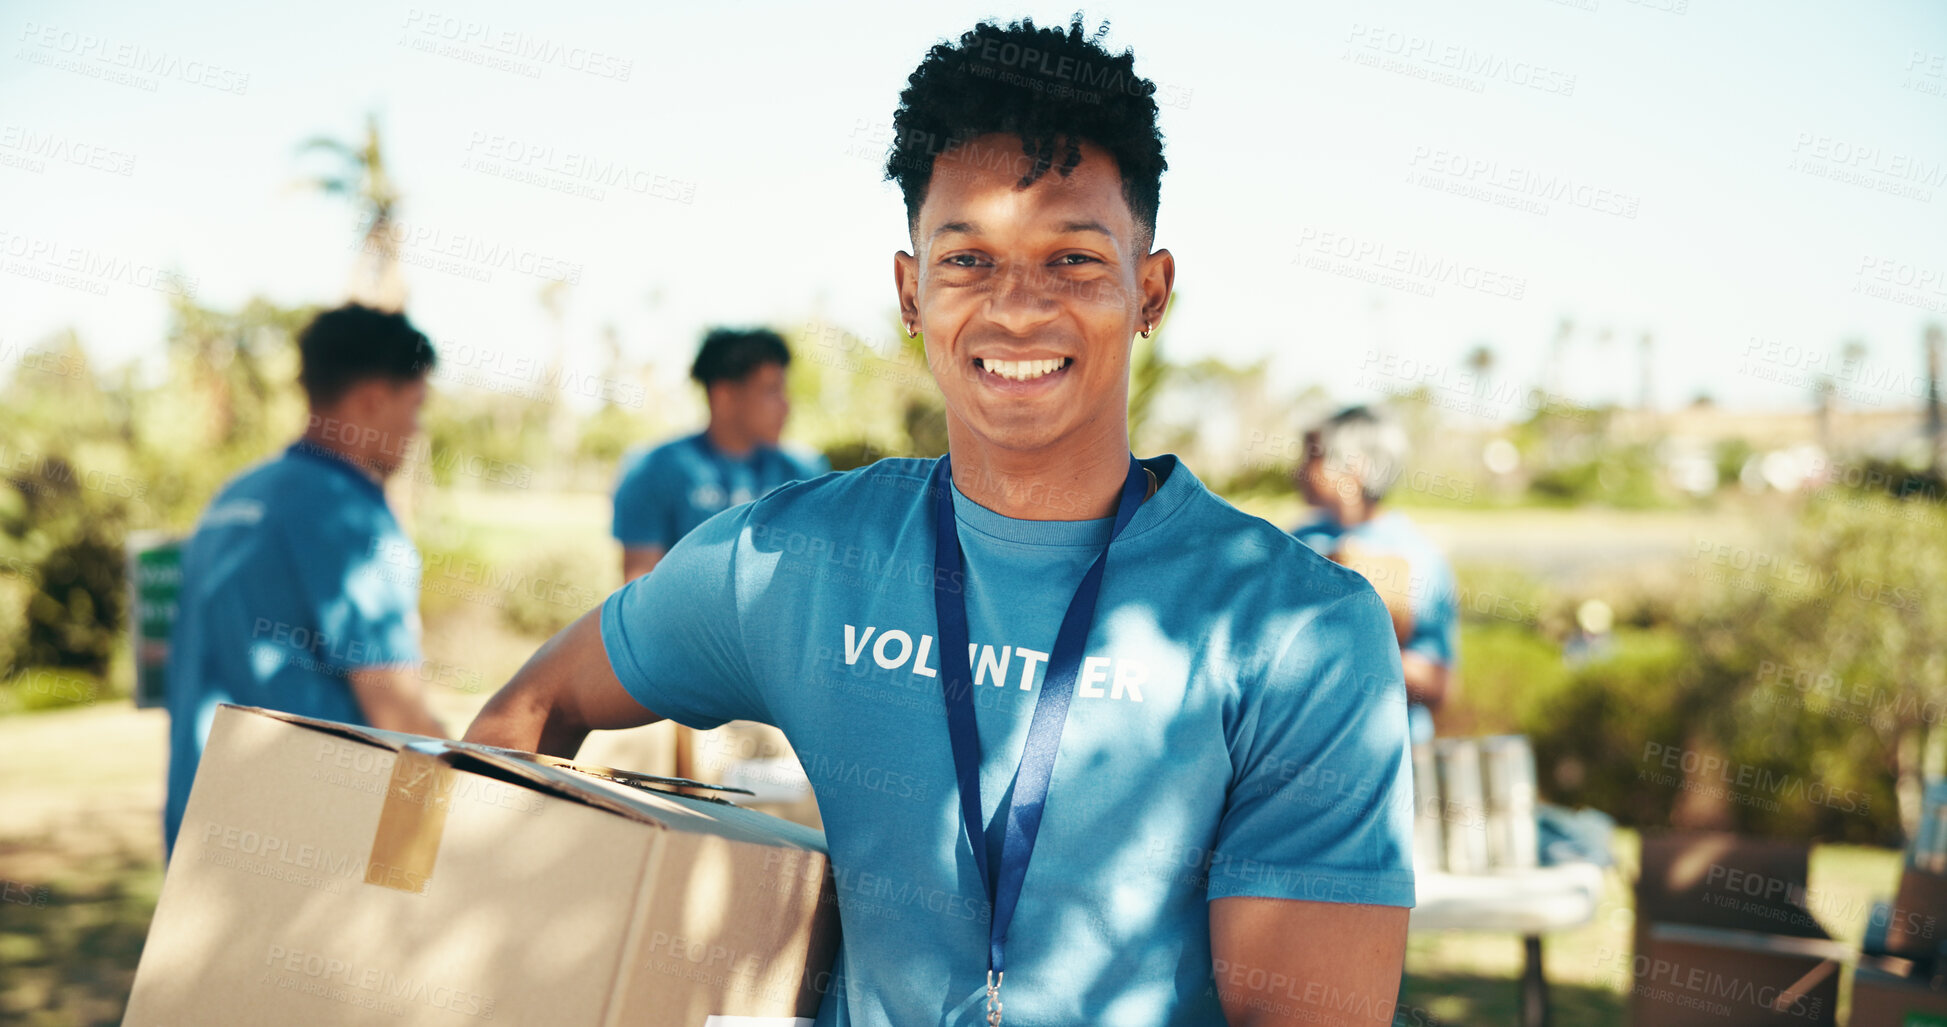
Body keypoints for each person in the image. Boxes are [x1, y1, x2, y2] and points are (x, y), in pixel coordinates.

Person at [468, 17, 1413, 1025]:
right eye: (967, 260)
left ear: (1151, 289)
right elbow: (529, 711)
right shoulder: (792, 559)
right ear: (911, 292)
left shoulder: (1296, 629)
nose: (1015, 308)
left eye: (1074, 262)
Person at [163, 304, 446, 858]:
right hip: (307, 853)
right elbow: (399, 715)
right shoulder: (350, 515)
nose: (416, 431)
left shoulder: (236, 497)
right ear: (373, 399)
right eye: (416, 408)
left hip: (199, 837)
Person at [1291, 406, 1459, 746]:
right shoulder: (1294, 541)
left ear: (1355, 467)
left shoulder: (1416, 557)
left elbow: (1440, 686)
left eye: (1313, 456)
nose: (1297, 471)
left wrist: (1359, 647)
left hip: (1384, 757)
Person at [611, 327, 827, 581]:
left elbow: (818, 578)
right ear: (723, 396)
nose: (786, 405)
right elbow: (639, 591)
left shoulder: (805, 475)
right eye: (771, 390)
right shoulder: (653, 472)